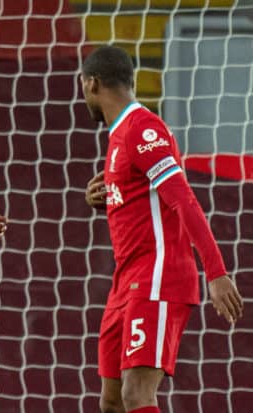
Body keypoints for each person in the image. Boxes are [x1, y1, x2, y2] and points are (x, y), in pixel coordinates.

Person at [81, 46, 244, 413]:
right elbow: (144, 199)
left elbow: (182, 200)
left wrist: (215, 272)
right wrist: (108, 197)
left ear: (92, 83)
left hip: (157, 276)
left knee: (137, 394)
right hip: (126, 280)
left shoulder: (142, 128)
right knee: (111, 400)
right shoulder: (119, 137)